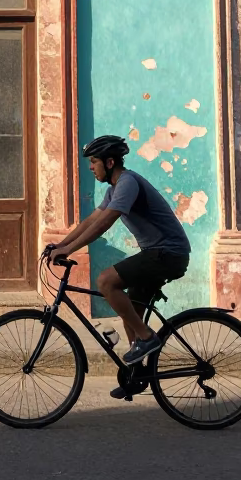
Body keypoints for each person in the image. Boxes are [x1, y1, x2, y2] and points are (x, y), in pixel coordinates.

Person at [47, 134, 190, 394]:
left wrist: (70, 249)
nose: (91, 167)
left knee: (105, 281)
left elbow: (105, 223)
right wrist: (61, 245)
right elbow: (92, 220)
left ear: (109, 162)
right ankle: (137, 375)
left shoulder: (127, 183)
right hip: (157, 253)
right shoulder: (114, 188)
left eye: (94, 162)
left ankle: (147, 339)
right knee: (130, 313)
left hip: (167, 253)